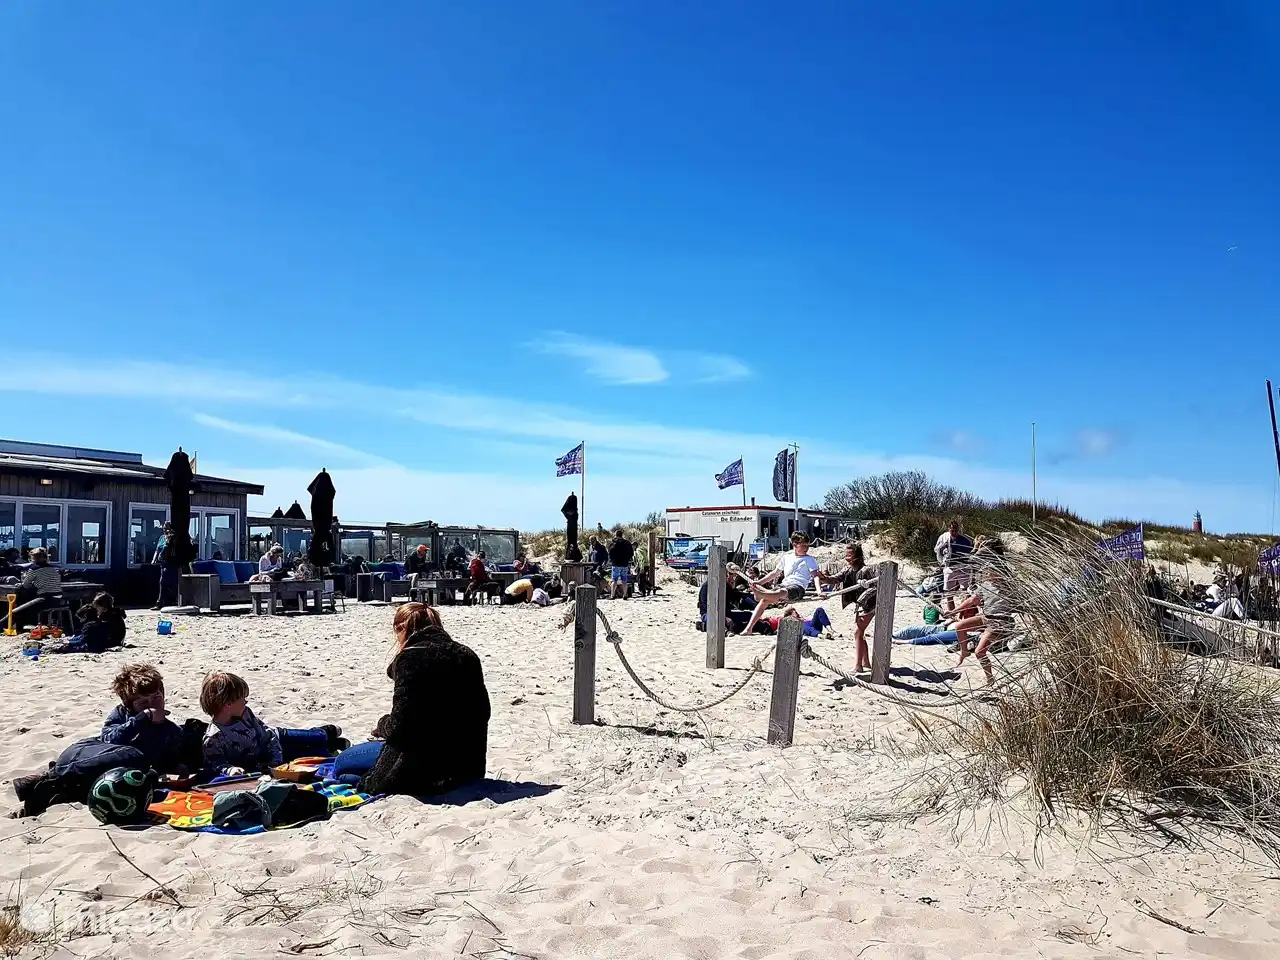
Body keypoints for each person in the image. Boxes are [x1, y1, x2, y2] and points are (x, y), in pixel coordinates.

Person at [334, 603, 490, 796]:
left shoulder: (410, 659)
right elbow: (482, 712)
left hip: (424, 769)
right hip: (466, 766)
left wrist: (382, 725)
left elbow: (401, 725)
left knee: (342, 765)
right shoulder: (467, 655)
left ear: (401, 628)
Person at [200, 672, 344, 777]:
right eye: (242, 699)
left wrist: (275, 760)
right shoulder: (213, 738)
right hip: (267, 757)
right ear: (228, 704)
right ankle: (335, 744)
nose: (245, 702)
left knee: (316, 738)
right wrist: (230, 769)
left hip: (278, 738)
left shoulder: (245, 714)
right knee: (317, 755)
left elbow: (267, 734)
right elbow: (216, 764)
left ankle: (325, 732)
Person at [101, 663, 187, 772]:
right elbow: (107, 739)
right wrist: (142, 718)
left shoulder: (169, 728)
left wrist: (177, 765)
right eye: (143, 702)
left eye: (156, 697)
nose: (152, 705)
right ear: (130, 705)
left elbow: (171, 752)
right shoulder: (122, 714)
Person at [741, 532, 827, 636]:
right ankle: (748, 629)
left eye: (807, 545)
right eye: (803, 545)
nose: (806, 548)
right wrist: (759, 582)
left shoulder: (810, 559)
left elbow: (815, 576)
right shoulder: (787, 557)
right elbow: (774, 573)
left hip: (797, 587)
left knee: (780, 592)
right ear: (795, 545)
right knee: (764, 601)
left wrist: (819, 591)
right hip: (783, 585)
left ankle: (762, 594)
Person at [15, 546, 62, 629]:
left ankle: (25, 624)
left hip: (45, 600)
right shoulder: (53, 568)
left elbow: (26, 585)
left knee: (22, 599)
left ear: (33, 557)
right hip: (58, 600)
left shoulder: (34, 569)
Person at [934, 519, 974, 613]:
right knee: (949, 593)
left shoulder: (964, 540)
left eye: (956, 530)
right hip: (949, 567)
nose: (954, 532)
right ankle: (952, 613)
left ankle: (965, 613)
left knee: (966, 591)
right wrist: (942, 559)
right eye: (952, 530)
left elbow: (971, 551)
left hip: (962, 567)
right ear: (949, 529)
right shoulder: (944, 538)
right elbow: (937, 550)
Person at [152, 522, 179, 610]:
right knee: (163, 582)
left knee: (169, 582)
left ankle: (168, 601)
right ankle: (161, 602)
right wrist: (154, 559)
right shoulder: (162, 538)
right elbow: (158, 549)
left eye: (166, 528)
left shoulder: (172, 538)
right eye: (163, 528)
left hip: (171, 563)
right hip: (163, 563)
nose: (164, 530)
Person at [607, 530, 635, 600]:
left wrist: (612, 559)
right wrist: (627, 559)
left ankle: (612, 595)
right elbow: (631, 553)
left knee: (614, 580)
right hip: (624, 564)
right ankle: (625, 595)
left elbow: (610, 553)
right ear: (622, 535)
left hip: (615, 564)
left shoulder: (613, 543)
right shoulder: (627, 543)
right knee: (624, 580)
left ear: (616, 535)